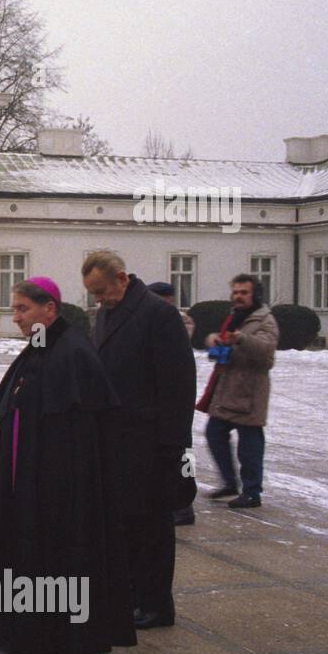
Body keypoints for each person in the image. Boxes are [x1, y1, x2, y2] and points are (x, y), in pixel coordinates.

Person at [0, 277, 135, 654]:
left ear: (50, 309)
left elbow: (77, 434)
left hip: (56, 489)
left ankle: (49, 639)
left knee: (51, 555)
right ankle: (18, 628)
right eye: (16, 309)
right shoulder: (42, 347)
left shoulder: (73, 353)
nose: (18, 318)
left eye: (24, 309)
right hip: (26, 481)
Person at [83, 252, 196, 630]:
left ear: (121, 278)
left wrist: (173, 447)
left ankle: (156, 604)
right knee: (126, 525)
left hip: (149, 445)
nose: (98, 299)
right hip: (115, 441)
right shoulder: (107, 313)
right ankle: (131, 594)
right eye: (92, 294)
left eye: (101, 291)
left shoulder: (157, 314)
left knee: (152, 528)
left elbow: (179, 384)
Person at [198, 274, 278, 509]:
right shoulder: (235, 316)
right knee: (214, 432)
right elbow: (225, 339)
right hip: (228, 386)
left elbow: (266, 349)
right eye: (236, 292)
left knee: (250, 444)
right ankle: (230, 483)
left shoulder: (265, 320)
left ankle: (252, 491)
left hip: (250, 391)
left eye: (244, 292)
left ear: (255, 295)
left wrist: (241, 338)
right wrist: (213, 339)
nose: (238, 296)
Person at [148, 281, 197, 527]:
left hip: (178, 398)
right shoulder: (155, 318)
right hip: (164, 397)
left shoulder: (178, 321)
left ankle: (185, 503)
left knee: (184, 454)